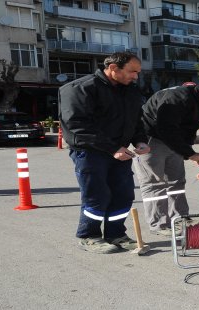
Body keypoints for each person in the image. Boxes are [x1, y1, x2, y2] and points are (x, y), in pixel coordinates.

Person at [59, 52, 150, 254]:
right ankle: (89, 236)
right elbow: (77, 127)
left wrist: (140, 141)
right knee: (97, 195)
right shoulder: (80, 89)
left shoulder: (130, 91)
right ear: (113, 68)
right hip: (90, 153)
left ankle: (115, 233)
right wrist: (112, 148)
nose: (136, 76)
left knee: (123, 194)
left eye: (138, 72)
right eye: (132, 71)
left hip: (121, 152)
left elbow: (136, 121)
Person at [134, 81, 199, 236]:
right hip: (151, 139)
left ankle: (181, 218)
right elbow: (166, 128)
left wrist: (188, 150)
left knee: (177, 181)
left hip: (176, 141)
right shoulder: (176, 98)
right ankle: (160, 224)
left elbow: (191, 127)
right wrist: (190, 154)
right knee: (155, 184)